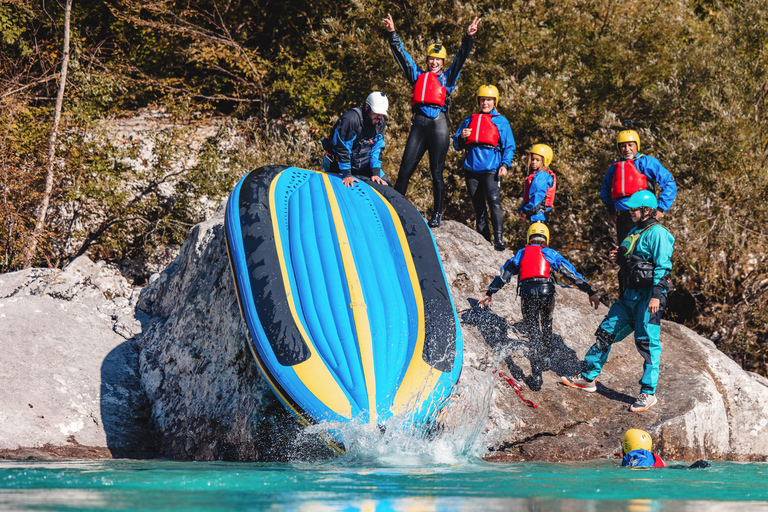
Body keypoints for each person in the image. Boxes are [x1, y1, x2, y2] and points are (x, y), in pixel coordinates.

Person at [561, 190, 675, 412]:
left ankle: (648, 393)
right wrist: (617, 258)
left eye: (634, 209)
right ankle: (588, 377)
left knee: (647, 343)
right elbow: (630, 261)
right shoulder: (634, 231)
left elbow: (663, 266)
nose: (630, 212)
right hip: (628, 296)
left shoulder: (659, 233)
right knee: (605, 333)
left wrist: (656, 296)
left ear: (647, 210)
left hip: (648, 298)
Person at [383, 13, 480, 227]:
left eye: (438, 60)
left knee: (436, 173)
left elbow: (461, 57)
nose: (434, 62)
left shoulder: (447, 78)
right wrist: (392, 33)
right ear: (427, 60)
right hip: (419, 126)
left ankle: (437, 214)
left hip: (439, 127)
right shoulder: (417, 75)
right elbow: (402, 56)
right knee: (404, 171)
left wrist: (468, 37)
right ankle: (393, 210)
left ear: (442, 62)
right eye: (431, 59)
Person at [477, 222, 600, 391]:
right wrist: (589, 291)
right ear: (546, 239)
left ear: (529, 237)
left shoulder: (521, 253)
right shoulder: (550, 253)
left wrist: (490, 292)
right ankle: (547, 358)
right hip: (546, 292)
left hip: (527, 293)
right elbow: (570, 273)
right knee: (547, 324)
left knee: (534, 334)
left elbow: (504, 275)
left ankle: (536, 377)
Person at [453, 84, 516, 250]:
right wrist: (461, 136)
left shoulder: (501, 121)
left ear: (495, 101)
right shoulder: (470, 119)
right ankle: (484, 240)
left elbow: (509, 146)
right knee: (478, 206)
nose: (485, 103)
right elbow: (456, 144)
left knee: (494, 201)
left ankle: (499, 239)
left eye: (488, 100)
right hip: (471, 170)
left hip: (491, 169)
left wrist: (505, 164)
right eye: (482, 100)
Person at [600, 129, 677, 244]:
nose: (627, 149)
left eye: (630, 145)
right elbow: (605, 190)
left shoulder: (647, 162)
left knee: (642, 249)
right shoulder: (615, 167)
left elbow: (669, 184)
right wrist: (611, 210)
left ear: (637, 146)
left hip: (643, 215)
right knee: (624, 251)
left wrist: (660, 208)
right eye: (623, 146)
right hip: (623, 217)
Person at [321, 91, 391, 188]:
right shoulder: (350, 120)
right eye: (376, 112)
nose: (379, 116)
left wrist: (375, 173)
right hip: (339, 164)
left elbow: (377, 147)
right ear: (367, 107)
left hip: (362, 164)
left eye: (381, 114)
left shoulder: (379, 122)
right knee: (343, 189)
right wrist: (347, 175)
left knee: (386, 185)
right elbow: (342, 149)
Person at [518, 144, 556, 224]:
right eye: (532, 159)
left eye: (537, 160)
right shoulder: (536, 175)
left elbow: (537, 197)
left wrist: (526, 211)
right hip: (535, 215)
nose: (534, 162)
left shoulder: (541, 176)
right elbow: (529, 198)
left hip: (539, 215)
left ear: (544, 161)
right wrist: (522, 209)